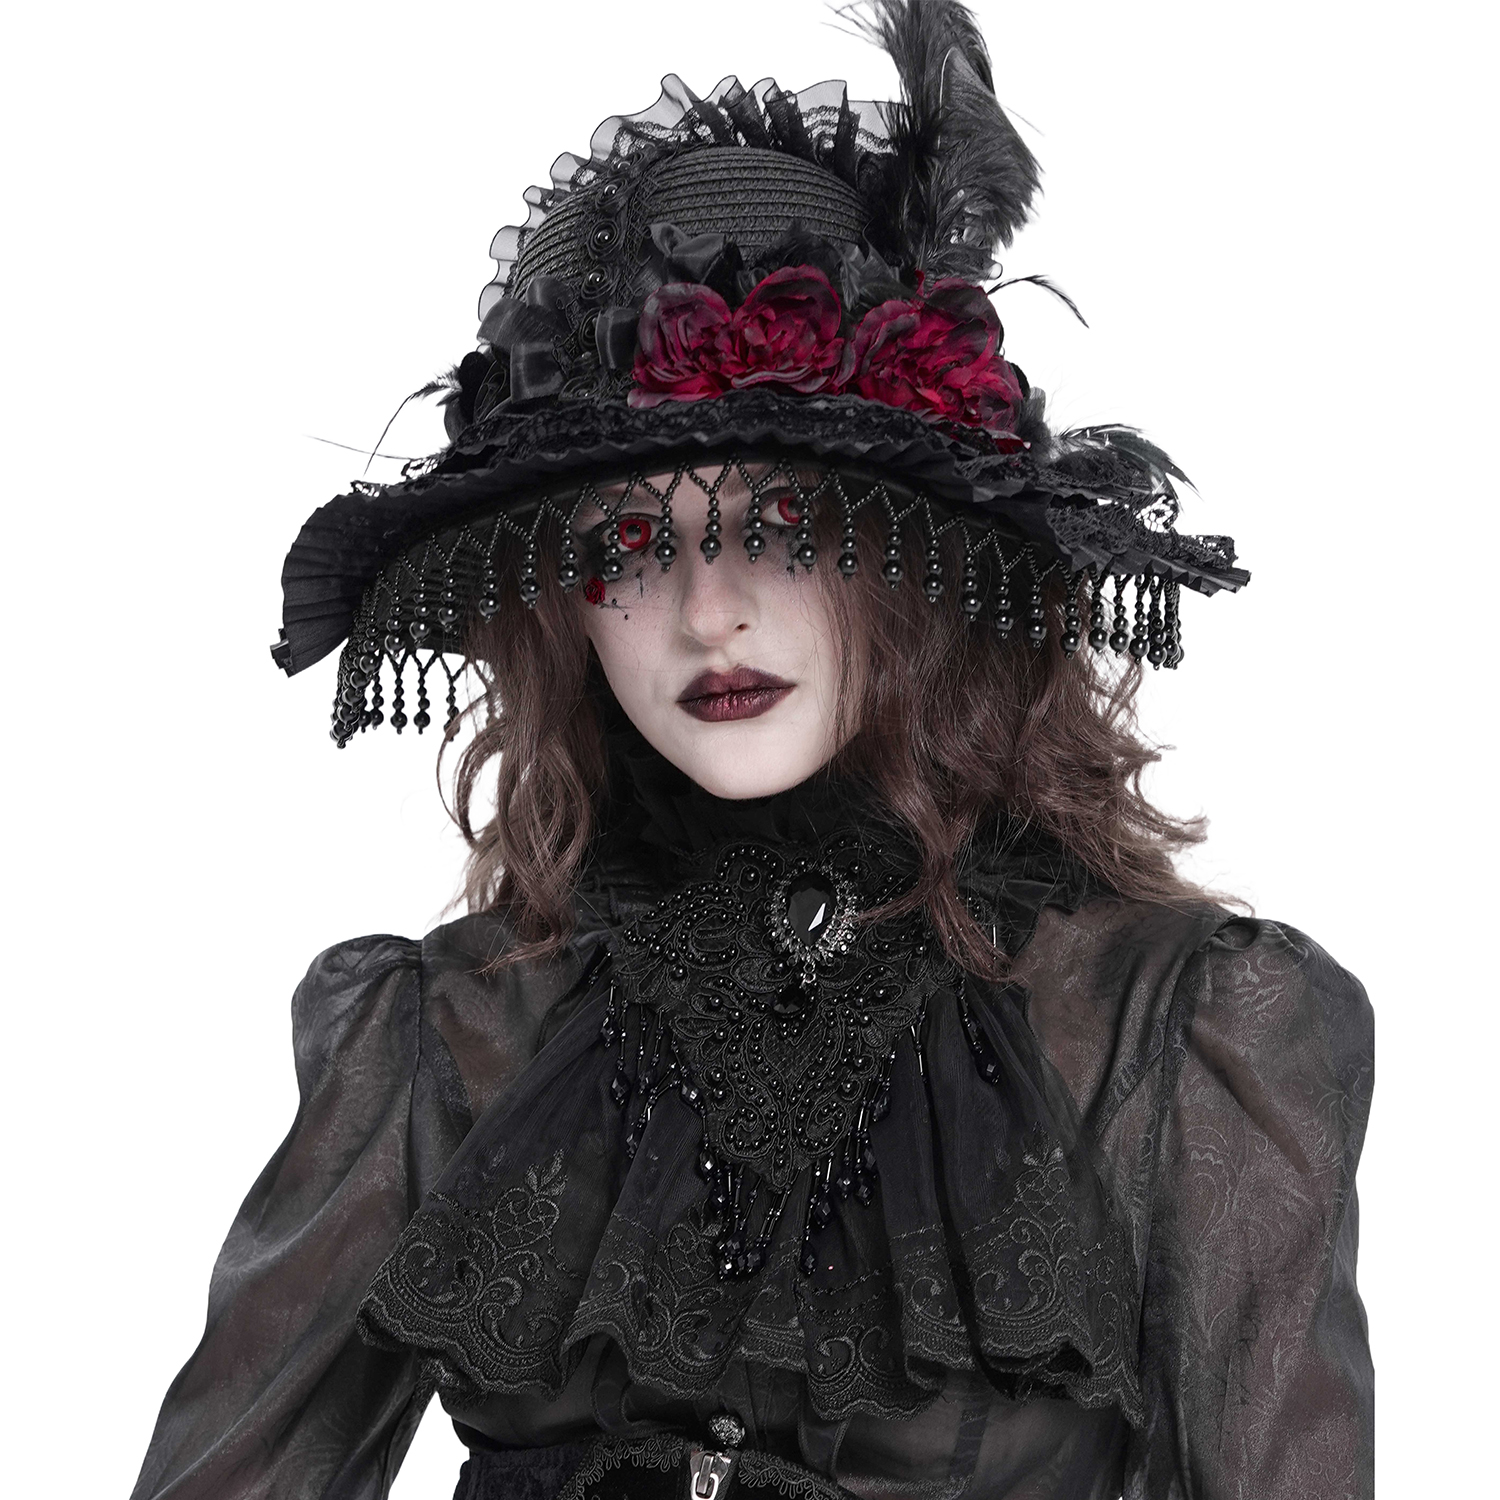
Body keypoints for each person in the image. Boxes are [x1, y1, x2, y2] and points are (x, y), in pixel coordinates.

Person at [130, 3, 1374, 1497]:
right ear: (563, 611)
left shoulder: (1182, 1030)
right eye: (629, 544)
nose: (707, 612)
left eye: (783, 524)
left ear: (915, 559)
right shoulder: (450, 1032)